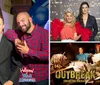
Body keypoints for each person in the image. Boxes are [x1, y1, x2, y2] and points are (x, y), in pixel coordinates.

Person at [4, 12, 48, 85]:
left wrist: (28, 51)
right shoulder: (20, 32)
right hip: (26, 75)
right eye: (18, 23)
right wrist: (15, 39)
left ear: (30, 19)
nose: (21, 24)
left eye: (23, 20)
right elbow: (7, 32)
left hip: (40, 76)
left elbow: (47, 55)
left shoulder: (44, 33)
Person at [0, 9, 21, 85]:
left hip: (5, 81)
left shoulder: (10, 43)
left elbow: (18, 64)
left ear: (3, 26)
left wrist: (11, 81)